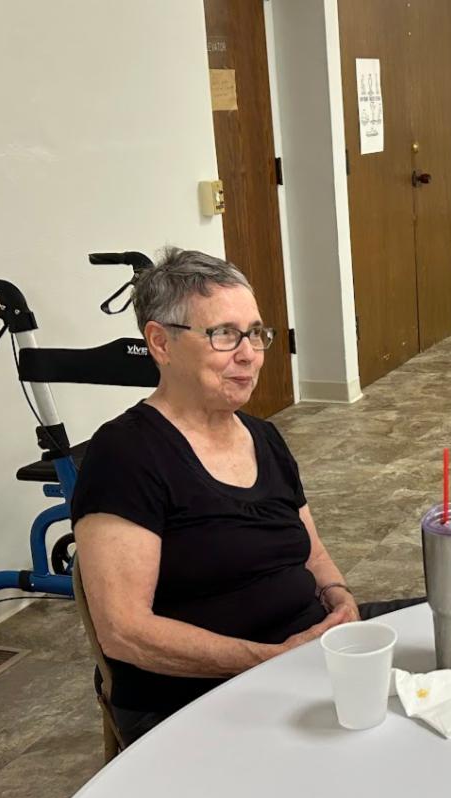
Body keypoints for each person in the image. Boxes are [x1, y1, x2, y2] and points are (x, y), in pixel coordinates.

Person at [72, 248, 366, 743]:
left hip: (305, 656)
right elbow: (124, 632)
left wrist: (341, 600)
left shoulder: (264, 437)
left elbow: (312, 552)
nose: (249, 354)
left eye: (256, 333)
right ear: (160, 343)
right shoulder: (125, 454)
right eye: (224, 334)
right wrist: (268, 660)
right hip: (199, 694)